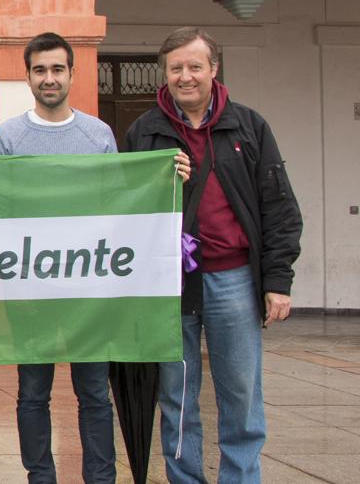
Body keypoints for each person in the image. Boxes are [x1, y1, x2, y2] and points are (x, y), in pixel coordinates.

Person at [125, 27, 301, 483]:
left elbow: (279, 207)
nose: (186, 76)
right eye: (176, 68)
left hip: (236, 279)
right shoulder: (144, 133)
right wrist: (162, 184)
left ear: (213, 69)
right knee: (177, 396)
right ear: (163, 74)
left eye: (195, 66)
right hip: (171, 285)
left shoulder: (248, 126)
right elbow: (122, 209)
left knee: (241, 394)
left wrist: (278, 281)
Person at [0, 32, 119, 484]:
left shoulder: (98, 135)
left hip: (89, 290)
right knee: (32, 394)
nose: (49, 78)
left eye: (57, 69)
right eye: (40, 70)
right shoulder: (7, 137)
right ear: (27, 76)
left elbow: (115, 207)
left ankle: (100, 478)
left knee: (95, 396)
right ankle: (39, 477)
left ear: (72, 74)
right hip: (32, 289)